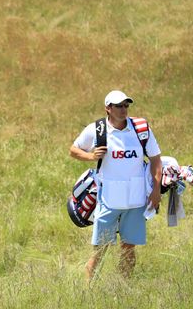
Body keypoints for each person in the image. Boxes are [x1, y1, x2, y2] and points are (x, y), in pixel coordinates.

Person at [69, 90, 162, 280]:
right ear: (108, 108)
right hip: (108, 200)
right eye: (118, 106)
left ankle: (123, 289)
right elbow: (73, 150)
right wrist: (90, 156)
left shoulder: (141, 129)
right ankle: (87, 292)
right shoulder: (97, 130)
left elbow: (155, 160)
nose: (123, 109)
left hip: (136, 200)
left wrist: (156, 190)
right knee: (100, 249)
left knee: (128, 249)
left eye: (126, 105)